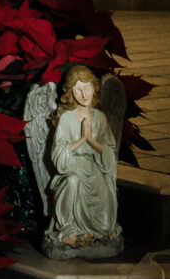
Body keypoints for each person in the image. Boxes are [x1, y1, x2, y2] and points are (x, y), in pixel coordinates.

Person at [46, 65, 121, 248]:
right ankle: (69, 229)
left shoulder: (100, 118)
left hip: (94, 166)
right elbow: (59, 155)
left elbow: (109, 153)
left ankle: (98, 231)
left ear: (94, 88)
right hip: (72, 168)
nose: (84, 94)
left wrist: (91, 140)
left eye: (87, 88)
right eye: (78, 90)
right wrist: (81, 140)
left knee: (104, 184)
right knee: (72, 182)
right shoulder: (66, 118)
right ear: (70, 92)